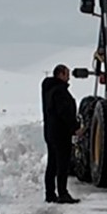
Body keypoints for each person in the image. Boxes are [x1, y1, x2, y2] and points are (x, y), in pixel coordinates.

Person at [41, 64, 79, 203]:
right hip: (61, 133)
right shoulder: (60, 91)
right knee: (62, 164)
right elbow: (64, 112)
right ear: (60, 75)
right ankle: (62, 193)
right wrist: (75, 127)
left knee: (52, 163)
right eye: (67, 73)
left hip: (50, 131)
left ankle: (50, 193)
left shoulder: (49, 89)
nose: (69, 76)